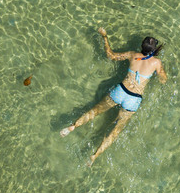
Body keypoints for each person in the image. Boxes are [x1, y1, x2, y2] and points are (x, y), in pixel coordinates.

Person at [60, 27, 167, 165]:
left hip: (120, 90)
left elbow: (111, 55)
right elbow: (163, 80)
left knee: (95, 111)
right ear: (153, 50)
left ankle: (72, 127)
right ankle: (94, 156)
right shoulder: (157, 63)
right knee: (115, 131)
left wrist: (104, 37)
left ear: (142, 46)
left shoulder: (132, 55)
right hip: (133, 99)